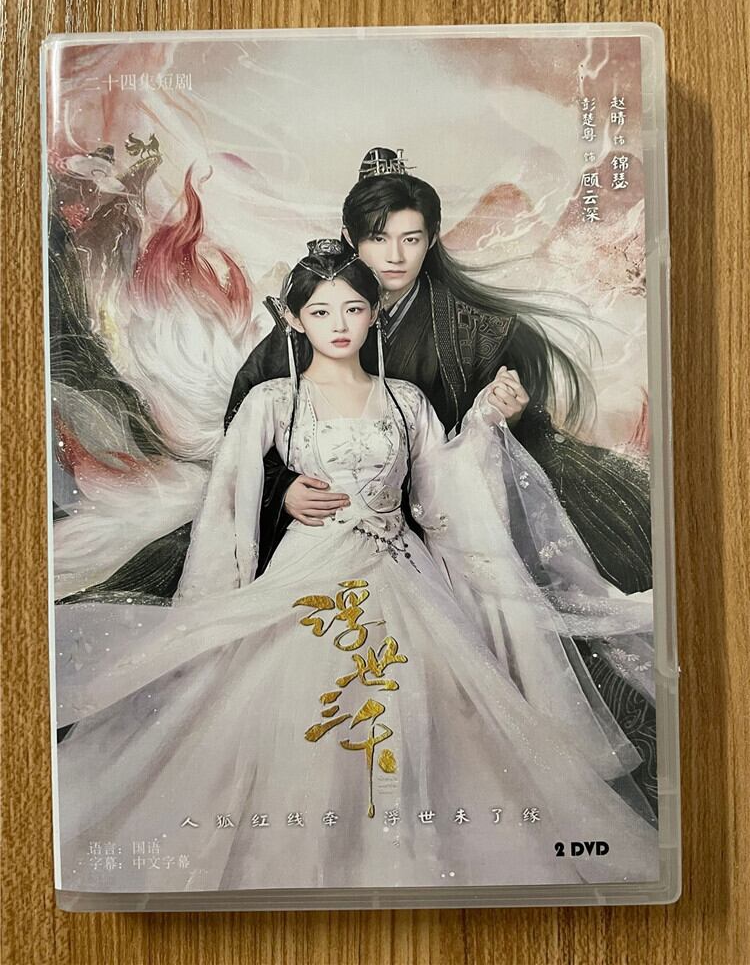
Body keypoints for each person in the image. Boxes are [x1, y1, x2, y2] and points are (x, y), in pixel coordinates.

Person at [54, 240, 659, 893]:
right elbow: (228, 496)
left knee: (431, 707)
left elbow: (440, 492)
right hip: (309, 569)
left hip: (404, 572)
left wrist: (485, 420)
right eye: (320, 312)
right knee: (284, 708)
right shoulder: (273, 402)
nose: (338, 325)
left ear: (373, 313)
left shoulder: (405, 401)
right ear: (295, 320)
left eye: (352, 309)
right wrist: (263, 521)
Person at [225, 150, 657, 813]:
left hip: (434, 512)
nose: (395, 257)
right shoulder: (310, 321)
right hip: (319, 520)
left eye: (412, 238)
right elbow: (246, 427)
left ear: (432, 239)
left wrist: (503, 414)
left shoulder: (473, 331)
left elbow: (455, 455)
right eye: (378, 239)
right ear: (349, 241)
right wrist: (281, 487)